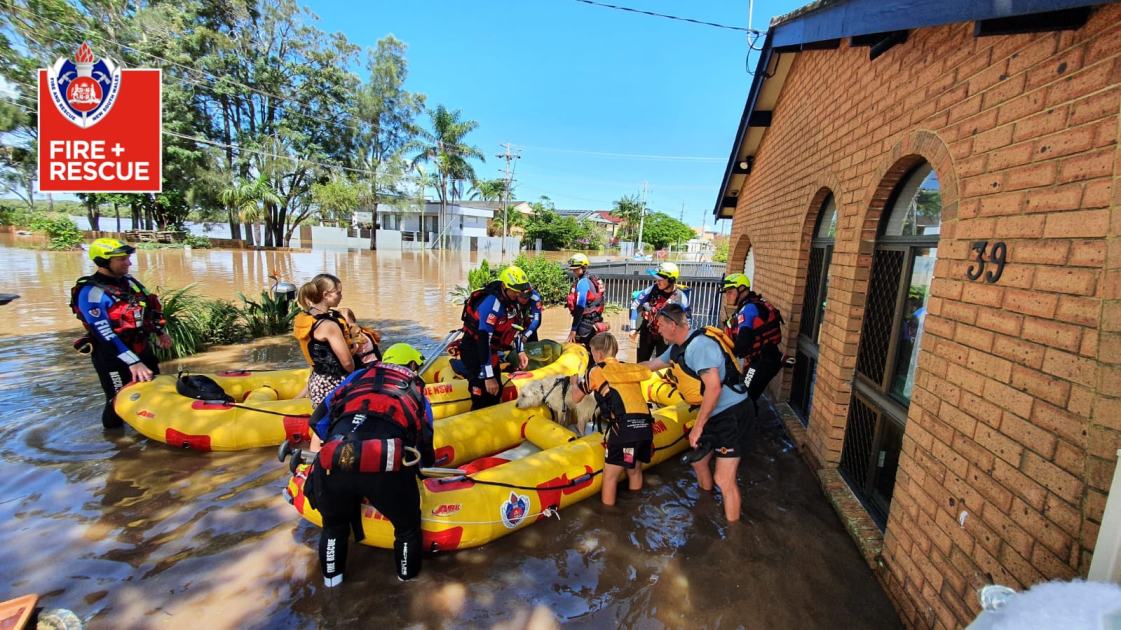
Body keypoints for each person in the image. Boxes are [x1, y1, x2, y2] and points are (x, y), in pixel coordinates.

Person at [305, 343, 435, 585]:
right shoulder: (416, 388)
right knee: (407, 529)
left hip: (335, 457)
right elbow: (424, 440)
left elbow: (318, 421)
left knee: (333, 527)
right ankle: (407, 586)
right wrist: (424, 473)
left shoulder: (357, 376)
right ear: (412, 366)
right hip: (384, 464)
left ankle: (331, 586)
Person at [641, 304, 749, 522]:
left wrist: (698, 426)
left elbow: (714, 387)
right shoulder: (675, 349)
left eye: (661, 325)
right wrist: (615, 369)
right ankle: (706, 507)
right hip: (713, 414)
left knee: (724, 478)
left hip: (733, 414)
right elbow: (649, 366)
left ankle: (734, 538)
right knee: (699, 462)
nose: (658, 330)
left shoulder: (699, 346)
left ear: (673, 325)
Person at [70, 238, 172, 429]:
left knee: (155, 393)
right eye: (121, 259)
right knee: (118, 401)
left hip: (141, 348)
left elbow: (148, 307)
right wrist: (132, 362)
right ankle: (115, 444)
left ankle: (150, 434)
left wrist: (159, 332)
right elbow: (104, 333)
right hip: (112, 356)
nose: (128, 263)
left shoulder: (130, 283)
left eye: (127, 258)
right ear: (103, 261)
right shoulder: (91, 293)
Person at [569, 332, 654, 506]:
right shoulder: (628, 367)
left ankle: (608, 521)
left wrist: (573, 382)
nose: (593, 356)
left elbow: (575, 398)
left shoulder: (596, 370)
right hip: (645, 427)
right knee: (634, 470)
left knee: (610, 477)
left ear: (598, 354)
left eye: (592, 352)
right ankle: (635, 509)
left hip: (624, 430)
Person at [293, 274, 381, 408]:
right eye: (338, 293)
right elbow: (347, 363)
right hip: (334, 385)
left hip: (318, 382)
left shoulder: (309, 318)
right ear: (326, 295)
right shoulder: (329, 325)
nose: (341, 296)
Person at [458, 266, 532, 409]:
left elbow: (515, 328)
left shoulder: (513, 302)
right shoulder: (492, 304)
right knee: (482, 395)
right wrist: (488, 376)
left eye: (520, 291)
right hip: (475, 349)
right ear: (504, 286)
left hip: (490, 351)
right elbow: (483, 340)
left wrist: (520, 350)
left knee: (495, 392)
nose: (518, 295)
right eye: (515, 291)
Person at [720, 273, 784, 415]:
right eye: (726, 293)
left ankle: (746, 430)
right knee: (746, 395)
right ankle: (747, 424)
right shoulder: (748, 305)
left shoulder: (748, 309)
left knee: (745, 398)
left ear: (742, 289)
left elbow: (744, 341)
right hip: (760, 358)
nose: (727, 296)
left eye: (730, 292)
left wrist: (726, 356)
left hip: (764, 360)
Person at [631, 261, 690, 362]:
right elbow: (635, 305)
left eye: (660, 279)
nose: (657, 281)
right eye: (656, 278)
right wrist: (633, 328)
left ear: (671, 280)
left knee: (662, 368)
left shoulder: (681, 297)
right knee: (640, 365)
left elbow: (687, 322)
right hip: (647, 333)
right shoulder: (652, 290)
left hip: (666, 338)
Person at [564, 254, 606, 346]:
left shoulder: (582, 282)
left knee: (579, 352)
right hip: (597, 321)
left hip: (585, 325)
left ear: (583, 267)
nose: (573, 271)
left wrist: (573, 329)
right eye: (573, 269)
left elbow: (580, 307)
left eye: (576, 268)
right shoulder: (593, 278)